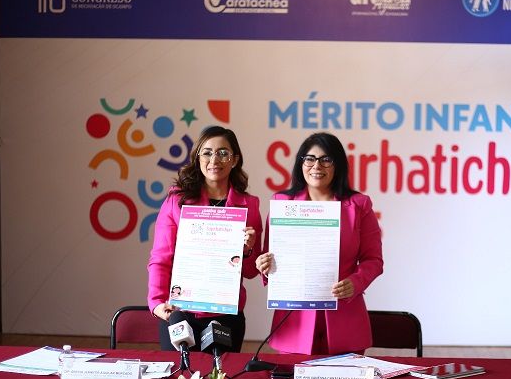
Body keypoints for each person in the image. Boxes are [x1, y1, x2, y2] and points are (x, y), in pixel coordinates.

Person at [255, 132, 383, 354]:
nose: (317, 166)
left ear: (338, 165)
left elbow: (374, 260)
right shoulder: (282, 203)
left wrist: (356, 282)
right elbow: (270, 257)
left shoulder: (359, 205)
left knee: (345, 377)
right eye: (310, 159)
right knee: (291, 377)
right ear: (301, 163)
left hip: (345, 315)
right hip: (295, 320)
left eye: (326, 159)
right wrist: (263, 265)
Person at [148, 125, 262, 353]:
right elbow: (161, 257)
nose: (214, 160)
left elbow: (251, 271)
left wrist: (247, 250)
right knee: (179, 374)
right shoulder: (177, 201)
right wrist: (156, 302)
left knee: (221, 376)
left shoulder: (249, 205)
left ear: (234, 160)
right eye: (207, 153)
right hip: (180, 311)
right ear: (198, 158)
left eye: (223, 153)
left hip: (226, 315)